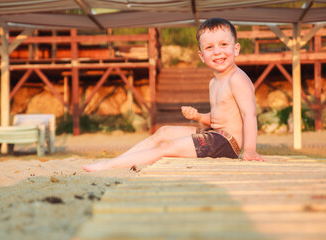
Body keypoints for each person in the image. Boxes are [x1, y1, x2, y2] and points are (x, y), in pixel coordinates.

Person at [83, 18, 264, 172]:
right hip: (216, 134)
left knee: (166, 147)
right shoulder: (214, 82)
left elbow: (249, 114)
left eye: (223, 45)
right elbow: (221, 117)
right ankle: (121, 159)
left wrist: (249, 149)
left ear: (236, 49)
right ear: (202, 56)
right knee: (164, 132)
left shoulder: (236, 79)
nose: (217, 51)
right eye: (210, 47)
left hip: (228, 143)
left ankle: (110, 165)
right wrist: (199, 117)